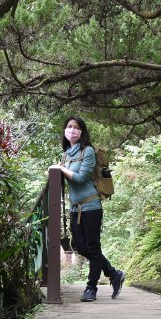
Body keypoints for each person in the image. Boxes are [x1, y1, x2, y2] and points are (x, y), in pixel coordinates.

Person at [49, 116, 126, 302]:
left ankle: (91, 288)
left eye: (76, 127)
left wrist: (60, 169)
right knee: (81, 246)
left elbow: (81, 178)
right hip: (75, 208)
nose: (72, 130)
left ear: (82, 131)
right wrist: (54, 170)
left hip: (91, 206)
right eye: (68, 127)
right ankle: (113, 274)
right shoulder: (67, 153)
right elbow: (61, 175)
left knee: (92, 246)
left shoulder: (88, 151)